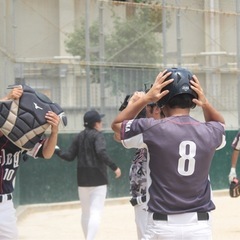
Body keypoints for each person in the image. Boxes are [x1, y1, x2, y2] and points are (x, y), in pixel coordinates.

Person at [111, 67, 226, 240]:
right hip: (199, 227)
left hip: (162, 226)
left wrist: (147, 98)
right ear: (194, 99)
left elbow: (117, 125)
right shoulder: (209, 131)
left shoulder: (152, 128)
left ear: (162, 100)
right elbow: (219, 124)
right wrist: (206, 103)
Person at [0, 87, 60, 240]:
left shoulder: (22, 137)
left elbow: (46, 153)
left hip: (4, 205)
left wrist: (54, 132)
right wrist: (7, 100)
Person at [55, 109, 121, 240]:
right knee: (96, 212)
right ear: (96, 124)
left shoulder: (79, 136)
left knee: (85, 213)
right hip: (98, 178)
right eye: (100, 121)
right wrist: (115, 167)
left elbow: (68, 156)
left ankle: (87, 237)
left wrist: (56, 149)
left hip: (82, 179)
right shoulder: (98, 136)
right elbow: (101, 152)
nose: (101, 123)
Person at [126, 96, 164, 239]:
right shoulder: (147, 129)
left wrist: (135, 105)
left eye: (149, 106)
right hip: (142, 201)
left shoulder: (156, 129)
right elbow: (119, 133)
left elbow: (119, 130)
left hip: (150, 201)